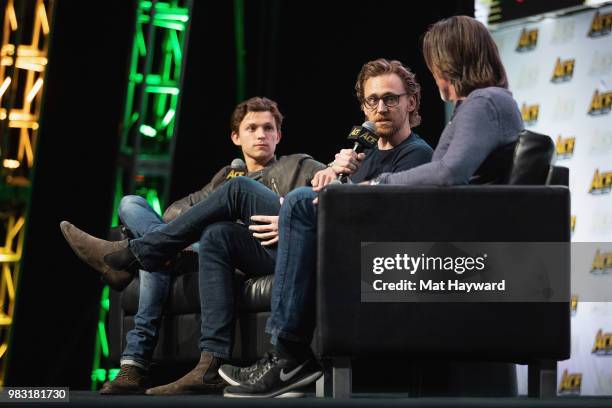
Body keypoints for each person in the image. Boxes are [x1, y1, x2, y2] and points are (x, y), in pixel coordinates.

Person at [60, 59, 433, 397]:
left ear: (411, 103)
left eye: (390, 99)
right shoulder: (362, 154)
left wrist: (290, 210)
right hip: (290, 243)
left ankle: (134, 255)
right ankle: (209, 364)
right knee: (214, 233)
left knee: (238, 191)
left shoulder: (414, 154)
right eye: (372, 101)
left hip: (330, 250)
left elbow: (373, 215)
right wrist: (337, 172)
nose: (381, 108)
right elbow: (179, 210)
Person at [218, 15, 523, 398]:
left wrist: (378, 184)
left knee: (296, 204)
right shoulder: (481, 104)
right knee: (295, 207)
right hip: (435, 230)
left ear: (451, 61)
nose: (434, 73)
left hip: (436, 241)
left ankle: (288, 354)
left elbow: (447, 174)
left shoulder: (485, 103)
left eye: (434, 64)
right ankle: (288, 354)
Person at [63, 97, 326, 395]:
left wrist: (283, 216)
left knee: (219, 208)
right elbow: (174, 214)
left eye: (268, 128)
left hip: (271, 249)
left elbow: (329, 195)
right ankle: (161, 259)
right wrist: (205, 215)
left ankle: (135, 259)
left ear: (279, 135)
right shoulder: (226, 177)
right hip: (214, 250)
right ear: (235, 137)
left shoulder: (299, 165)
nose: (261, 134)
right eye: (252, 128)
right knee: (132, 204)